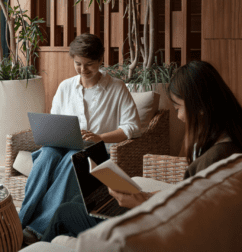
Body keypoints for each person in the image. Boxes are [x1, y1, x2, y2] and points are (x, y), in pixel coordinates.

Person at [37, 60, 242, 242]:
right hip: (161, 216)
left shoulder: (213, 160)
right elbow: (190, 201)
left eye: (178, 107)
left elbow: (183, 223)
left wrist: (138, 204)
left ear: (201, 108)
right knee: (80, 201)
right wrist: (148, 196)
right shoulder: (229, 143)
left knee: (65, 212)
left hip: (153, 232)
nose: (179, 116)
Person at [19, 33, 142, 245]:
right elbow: (55, 119)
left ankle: (37, 230)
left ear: (101, 60)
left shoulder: (117, 87)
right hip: (61, 146)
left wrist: (100, 137)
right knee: (46, 155)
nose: (83, 70)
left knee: (72, 158)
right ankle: (19, 223)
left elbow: (132, 127)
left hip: (95, 152)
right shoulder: (66, 87)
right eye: (78, 64)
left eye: (89, 64)